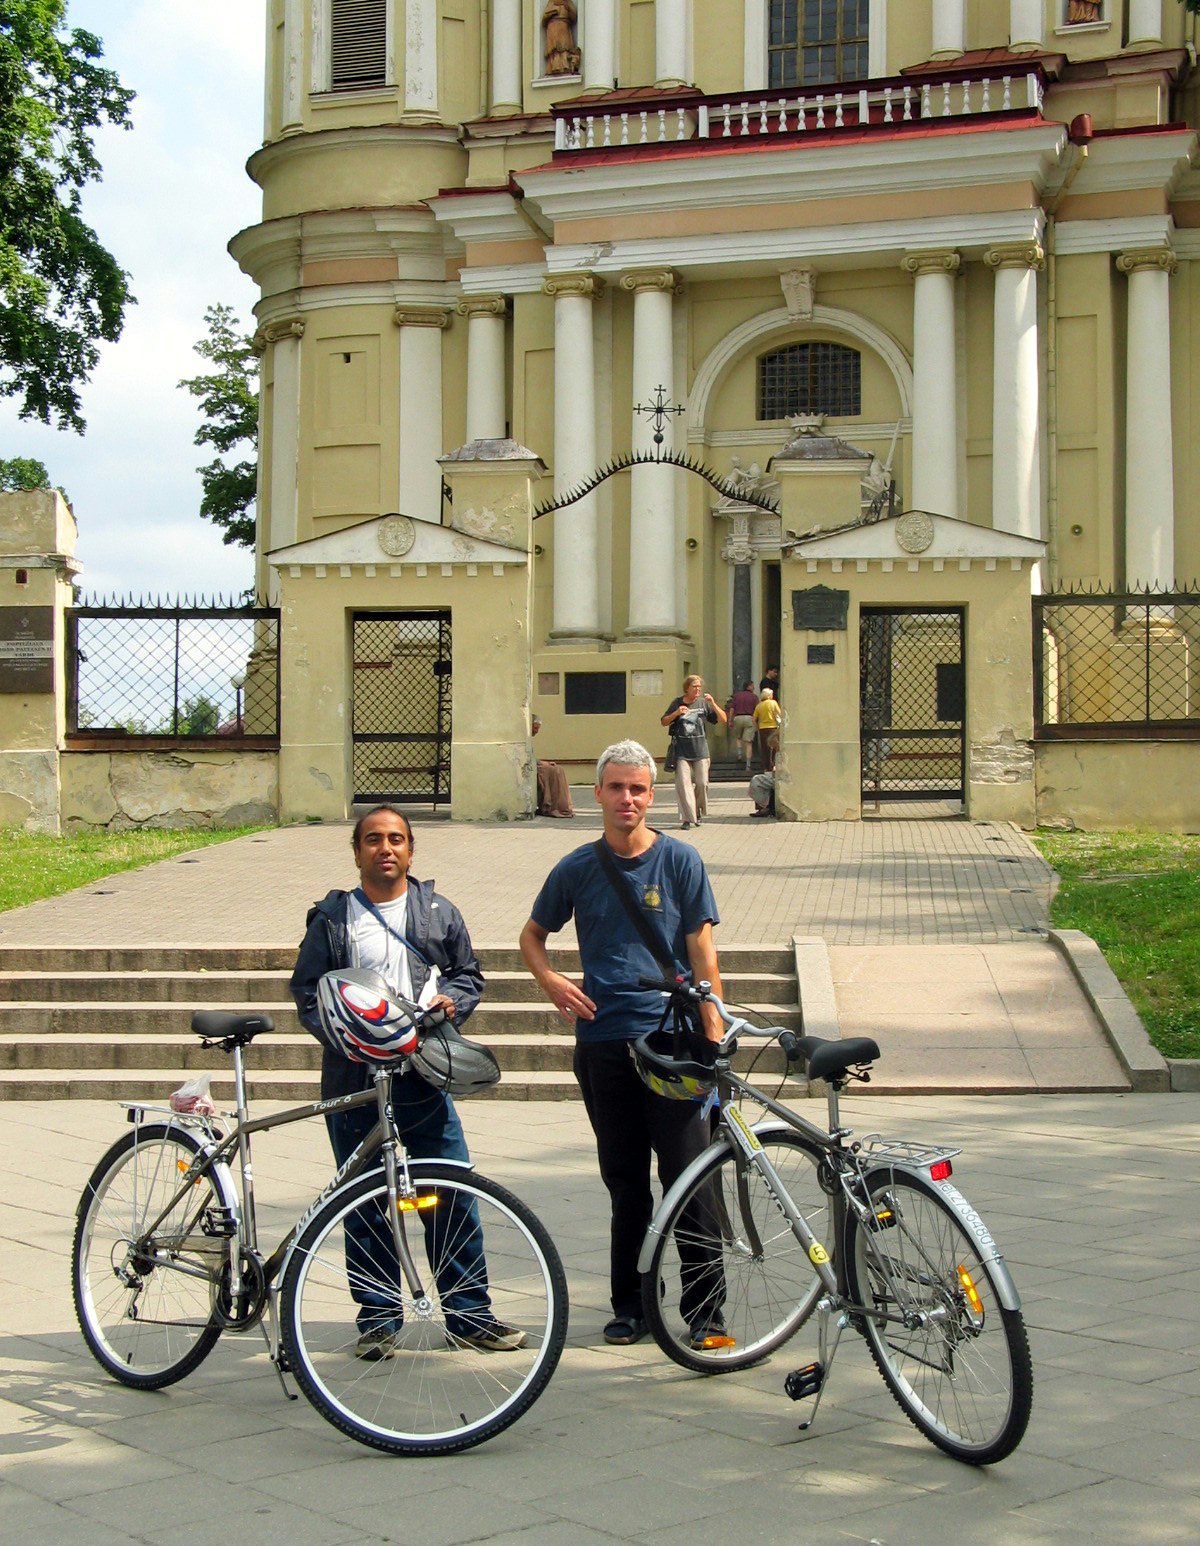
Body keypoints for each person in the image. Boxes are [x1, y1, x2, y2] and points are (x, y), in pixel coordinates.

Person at [290, 805, 526, 1358]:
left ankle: (469, 1316)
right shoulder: (333, 919)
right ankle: (378, 1320)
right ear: (357, 852)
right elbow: (307, 992)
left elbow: (468, 975)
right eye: (373, 839)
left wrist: (454, 1001)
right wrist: (349, 1034)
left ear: (411, 851)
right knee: (364, 1202)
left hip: (423, 1075)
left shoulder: (439, 913)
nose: (386, 848)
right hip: (355, 1081)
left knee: (451, 1193)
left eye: (396, 839)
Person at [519, 740, 726, 1348]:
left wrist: (713, 1035)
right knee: (626, 1181)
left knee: (691, 1178)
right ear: (599, 794)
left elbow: (702, 952)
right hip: (605, 1041)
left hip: (674, 1040)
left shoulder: (680, 860)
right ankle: (631, 1305)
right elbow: (532, 936)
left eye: (637, 789)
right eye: (616, 788)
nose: (627, 799)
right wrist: (551, 980)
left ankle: (707, 1312)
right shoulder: (577, 867)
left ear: (651, 795)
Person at [661, 674, 727, 830]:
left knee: (702, 783)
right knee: (683, 785)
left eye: (699, 687)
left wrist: (713, 703)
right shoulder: (677, 703)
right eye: (694, 686)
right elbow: (664, 721)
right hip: (681, 751)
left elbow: (723, 720)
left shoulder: (703, 703)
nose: (698, 689)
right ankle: (687, 818)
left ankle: (696, 811)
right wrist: (676, 713)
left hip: (700, 749)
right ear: (687, 688)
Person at [532, 715, 574, 818]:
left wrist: (543, 762)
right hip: (535, 765)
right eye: (535, 728)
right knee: (551, 770)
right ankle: (551, 805)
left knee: (558, 770)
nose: (537, 731)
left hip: (536, 764)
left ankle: (559, 805)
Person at [727, 680, 758, 770]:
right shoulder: (754, 697)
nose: (754, 687)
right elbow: (757, 709)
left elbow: (732, 709)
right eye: (752, 685)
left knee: (738, 737)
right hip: (750, 718)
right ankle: (748, 765)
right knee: (749, 742)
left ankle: (739, 754)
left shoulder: (737, 696)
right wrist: (756, 722)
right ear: (749, 686)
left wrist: (730, 720)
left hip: (738, 717)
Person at [752, 686, 782, 773]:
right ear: (769, 695)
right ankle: (773, 765)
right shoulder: (773, 703)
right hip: (773, 728)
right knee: (775, 747)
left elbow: (754, 719)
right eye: (771, 694)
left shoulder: (759, 706)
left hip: (762, 729)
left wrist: (757, 727)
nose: (772, 696)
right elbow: (780, 714)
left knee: (765, 748)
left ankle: (766, 767)